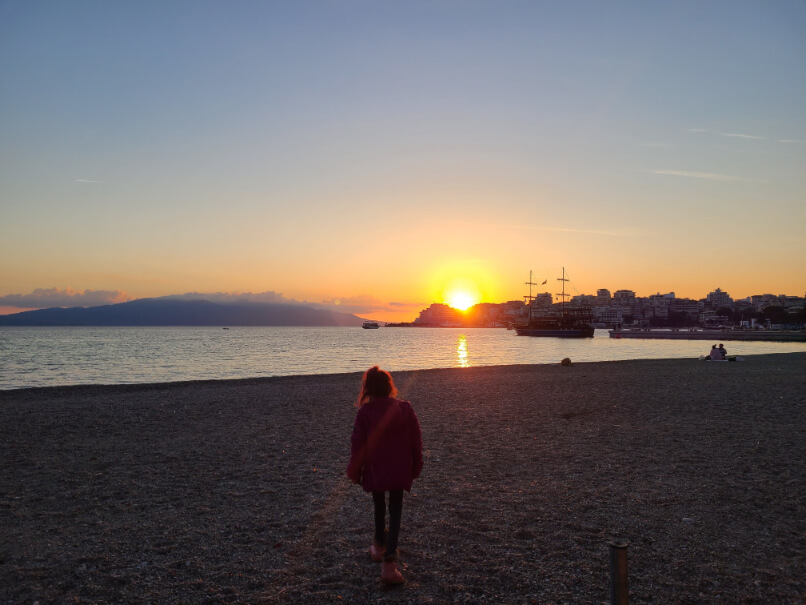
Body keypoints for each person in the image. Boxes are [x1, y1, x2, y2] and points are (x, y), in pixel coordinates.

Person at [346, 366, 423, 585]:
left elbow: (357, 446)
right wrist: (416, 466)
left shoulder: (365, 413)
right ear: (389, 387)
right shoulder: (405, 409)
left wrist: (354, 471)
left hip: (376, 470)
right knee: (395, 509)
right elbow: (416, 442)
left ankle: (381, 549)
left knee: (379, 505)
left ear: (369, 389)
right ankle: (386, 559)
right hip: (399, 469)